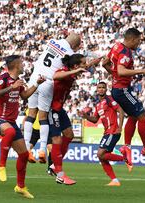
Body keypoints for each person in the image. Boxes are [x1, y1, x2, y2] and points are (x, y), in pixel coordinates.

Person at [102, 28, 145, 169]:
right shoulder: (125, 52)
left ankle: (126, 147)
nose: (139, 44)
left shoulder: (116, 46)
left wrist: (114, 75)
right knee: (143, 116)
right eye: (138, 41)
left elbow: (104, 63)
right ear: (132, 39)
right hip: (122, 90)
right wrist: (141, 70)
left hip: (119, 88)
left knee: (134, 117)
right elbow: (122, 71)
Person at [0, 55, 45, 198]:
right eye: (21, 63)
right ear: (15, 65)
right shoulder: (4, 78)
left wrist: (37, 84)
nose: (23, 65)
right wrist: (10, 87)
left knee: (24, 154)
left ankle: (20, 186)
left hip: (11, 122)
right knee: (10, 132)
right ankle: (2, 165)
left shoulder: (19, 81)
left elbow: (25, 96)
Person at [24, 32, 82, 163]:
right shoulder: (70, 53)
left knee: (31, 114)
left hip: (34, 78)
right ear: (75, 45)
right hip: (47, 81)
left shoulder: (52, 41)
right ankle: (42, 150)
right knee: (43, 117)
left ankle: (26, 148)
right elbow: (72, 66)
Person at [49, 54, 101, 185]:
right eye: (83, 63)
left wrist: (96, 61)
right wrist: (76, 71)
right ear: (76, 66)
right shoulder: (64, 71)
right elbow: (55, 76)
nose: (85, 65)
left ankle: (55, 165)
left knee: (69, 135)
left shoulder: (73, 71)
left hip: (59, 108)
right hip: (50, 108)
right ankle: (59, 173)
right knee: (57, 139)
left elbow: (86, 66)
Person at [81, 81, 130, 186]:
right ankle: (114, 180)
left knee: (100, 154)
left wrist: (120, 127)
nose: (101, 89)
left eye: (103, 87)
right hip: (107, 132)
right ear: (97, 89)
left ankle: (125, 158)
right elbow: (94, 120)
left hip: (113, 131)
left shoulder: (109, 99)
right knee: (102, 157)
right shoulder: (98, 105)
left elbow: (120, 110)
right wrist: (86, 116)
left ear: (106, 89)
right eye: (99, 87)